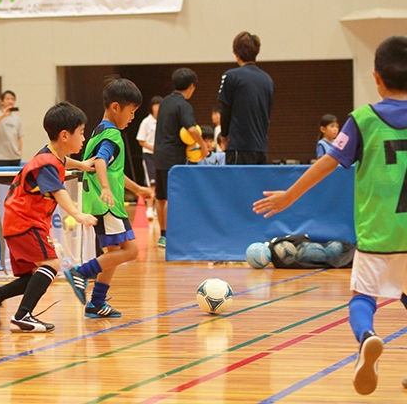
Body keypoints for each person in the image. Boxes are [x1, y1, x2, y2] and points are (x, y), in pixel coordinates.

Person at [253, 35, 407, 396]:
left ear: (376, 77)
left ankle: (367, 336)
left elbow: (326, 164)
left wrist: (289, 196)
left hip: (378, 233)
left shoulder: (363, 120)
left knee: (363, 298)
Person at [0, 102, 97, 332]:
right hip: (25, 222)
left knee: (35, 275)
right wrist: (77, 213)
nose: (83, 138)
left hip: (18, 223)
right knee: (52, 264)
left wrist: (82, 165)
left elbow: (64, 162)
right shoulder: (46, 164)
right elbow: (59, 191)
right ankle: (22, 316)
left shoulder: (51, 156)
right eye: (81, 132)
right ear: (64, 135)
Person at [64, 77, 153, 318]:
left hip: (100, 202)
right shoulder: (112, 135)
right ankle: (80, 273)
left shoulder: (99, 131)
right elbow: (102, 162)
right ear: (116, 107)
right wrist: (105, 187)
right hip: (108, 205)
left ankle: (96, 303)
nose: (132, 118)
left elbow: (115, 172)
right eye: (132, 112)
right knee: (131, 250)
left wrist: (138, 190)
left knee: (112, 253)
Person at [153, 68, 208, 247]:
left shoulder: (165, 103)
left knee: (160, 198)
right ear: (191, 86)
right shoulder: (183, 105)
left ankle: (163, 235)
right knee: (171, 197)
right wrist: (203, 146)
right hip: (172, 157)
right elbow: (192, 129)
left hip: (159, 154)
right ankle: (172, 235)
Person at [218, 31, 274, 165]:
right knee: (259, 186)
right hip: (261, 147)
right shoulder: (268, 80)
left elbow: (226, 110)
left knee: (236, 186)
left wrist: (224, 135)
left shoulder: (231, 76)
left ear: (236, 53)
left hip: (239, 146)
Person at [136, 95, 162, 220]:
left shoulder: (163, 121)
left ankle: (158, 208)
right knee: (151, 183)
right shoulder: (146, 122)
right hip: (149, 155)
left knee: (160, 182)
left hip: (160, 156)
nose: (157, 108)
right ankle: (149, 209)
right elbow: (141, 140)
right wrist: (153, 149)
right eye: (155, 105)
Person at [0, 90, 24, 167]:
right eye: (7, 99)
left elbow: (19, 137)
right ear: (2, 102)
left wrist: (19, 152)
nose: (10, 101)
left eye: (12, 99)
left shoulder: (17, 119)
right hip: (1, 157)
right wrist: (3, 115)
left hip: (15, 157)